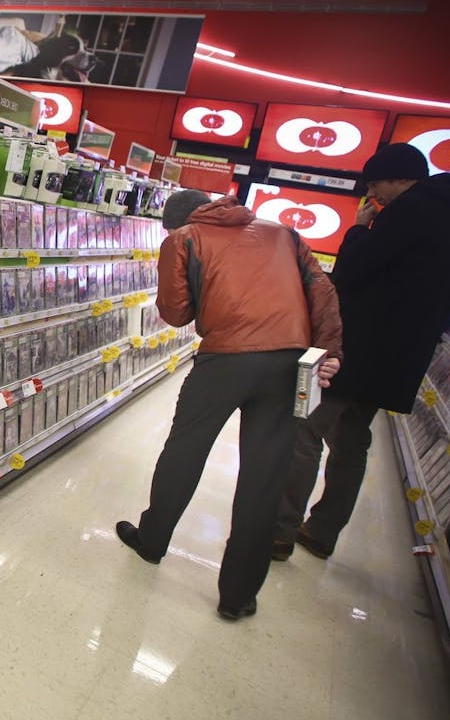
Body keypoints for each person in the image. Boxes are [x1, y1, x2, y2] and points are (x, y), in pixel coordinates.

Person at [115, 189, 343, 621]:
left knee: (185, 449)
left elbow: (176, 312)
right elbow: (323, 291)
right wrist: (328, 354)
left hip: (225, 359)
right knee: (266, 475)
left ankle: (152, 540)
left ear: (177, 222)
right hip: (289, 362)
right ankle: (238, 595)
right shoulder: (284, 233)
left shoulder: (183, 239)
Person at [273, 143, 450, 561]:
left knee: (305, 429)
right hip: (397, 360)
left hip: (356, 348)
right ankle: (323, 530)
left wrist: (358, 229)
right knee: (351, 441)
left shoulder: (411, 212)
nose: (373, 194)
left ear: (401, 177)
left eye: (375, 183)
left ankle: (279, 530)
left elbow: (354, 271)